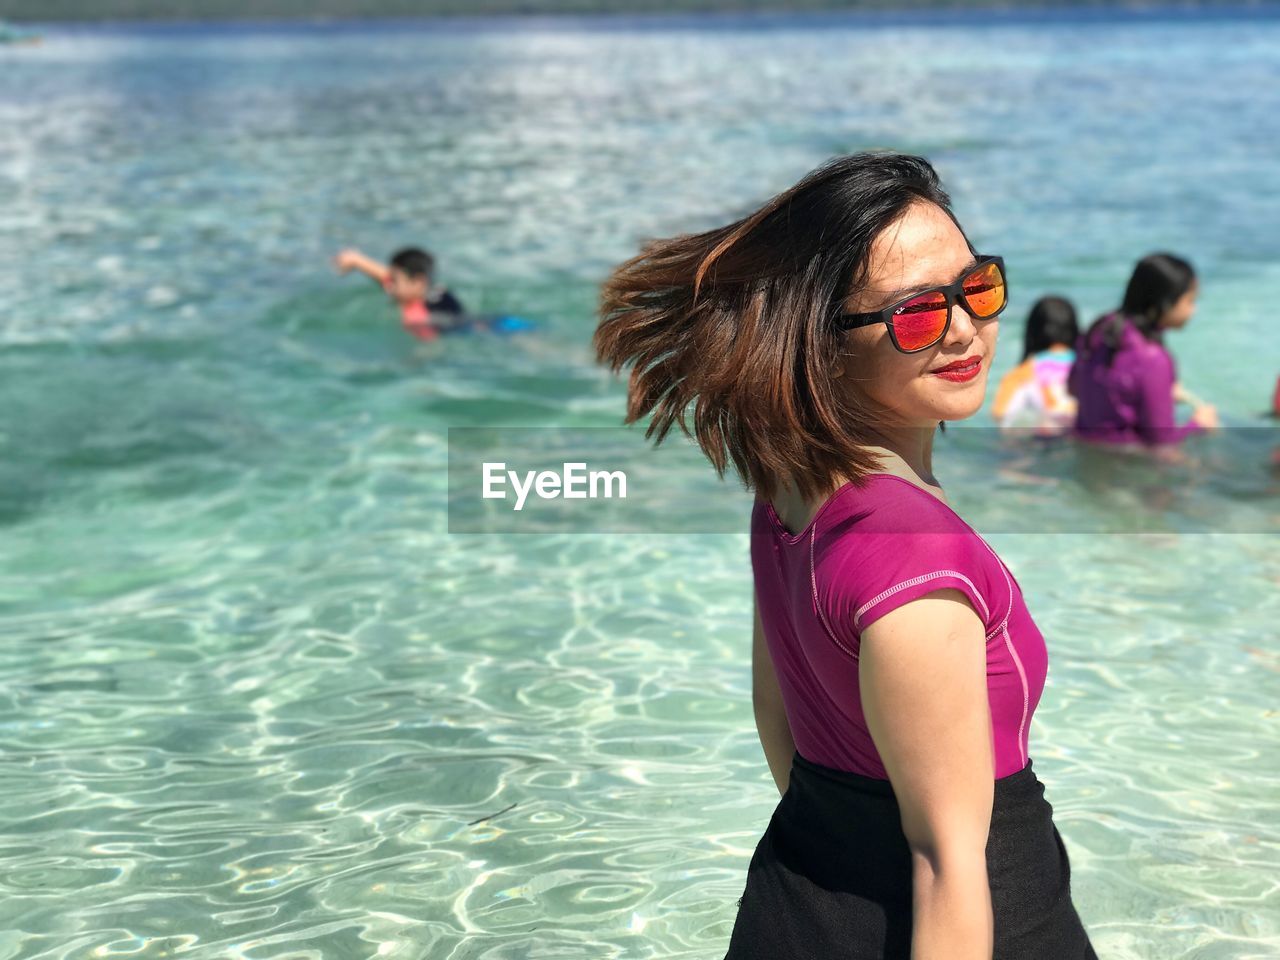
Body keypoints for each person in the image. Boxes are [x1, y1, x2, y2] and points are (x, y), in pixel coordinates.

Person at [596, 153, 1096, 959]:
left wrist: (841, 862)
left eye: (977, 288)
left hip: (799, 898)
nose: (964, 329)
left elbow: (779, 719)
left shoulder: (787, 493)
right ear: (825, 344)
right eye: (915, 314)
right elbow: (945, 861)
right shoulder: (919, 556)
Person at [1068, 253, 1219, 449]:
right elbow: (1161, 443)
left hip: (1085, 449)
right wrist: (1199, 425)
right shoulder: (1154, 359)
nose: (1194, 310)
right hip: (1124, 463)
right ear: (1165, 303)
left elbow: (1073, 388)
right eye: (1190, 301)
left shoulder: (1098, 329)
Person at [332, 246, 467, 341]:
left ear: (418, 281)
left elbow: (430, 346)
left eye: (394, 281)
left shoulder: (416, 314)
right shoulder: (435, 290)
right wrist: (357, 260)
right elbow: (384, 276)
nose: (388, 286)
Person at [991, 296, 1078, 437]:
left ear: (1032, 332)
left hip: (1046, 439)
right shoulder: (1088, 365)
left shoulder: (1022, 372)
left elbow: (1001, 414)